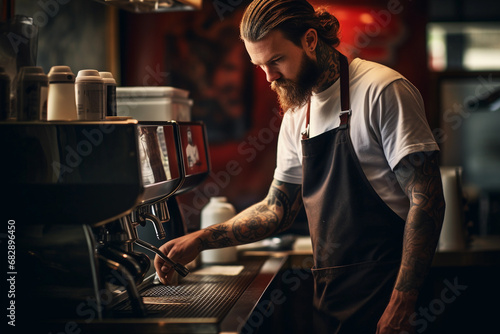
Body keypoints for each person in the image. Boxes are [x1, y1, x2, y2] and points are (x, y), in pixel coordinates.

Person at [154, 1, 445, 333]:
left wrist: (403, 302)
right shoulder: (297, 115)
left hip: (388, 294)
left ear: (310, 40)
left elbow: (427, 199)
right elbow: (276, 209)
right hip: (331, 299)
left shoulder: (381, 90)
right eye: (259, 65)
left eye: (276, 60)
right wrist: (200, 239)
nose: (269, 76)